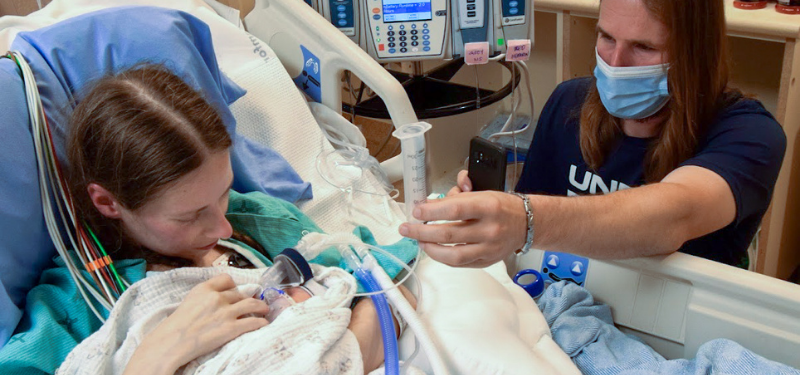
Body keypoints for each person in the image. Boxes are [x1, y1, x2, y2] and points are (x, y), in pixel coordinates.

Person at [66, 64, 406, 374]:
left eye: (224, 193)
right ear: (108, 202)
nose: (224, 228)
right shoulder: (77, 299)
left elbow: (382, 283)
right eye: (191, 216)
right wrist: (153, 357)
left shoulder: (261, 219)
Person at [399, 0, 787, 268]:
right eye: (606, 37)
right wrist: (487, 219)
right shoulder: (570, 102)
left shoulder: (751, 134)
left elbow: (674, 215)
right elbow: (533, 219)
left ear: (694, 55)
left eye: (644, 47)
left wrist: (524, 220)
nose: (615, 64)